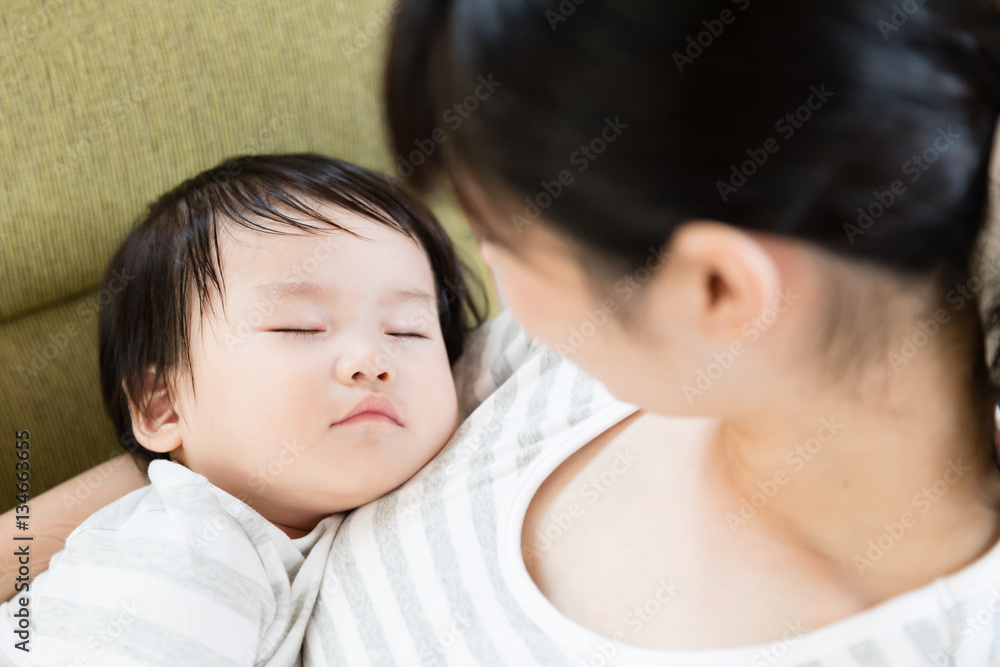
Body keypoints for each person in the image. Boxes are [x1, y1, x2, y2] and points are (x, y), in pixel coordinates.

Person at [6, 0, 1000, 665]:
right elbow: (204, 464)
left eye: (499, 234)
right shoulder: (545, 363)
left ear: (713, 292)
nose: (472, 295)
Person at [0, 154, 486, 666]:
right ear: (162, 405)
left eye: (407, 330)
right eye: (299, 327)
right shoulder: (189, 555)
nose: (373, 360)